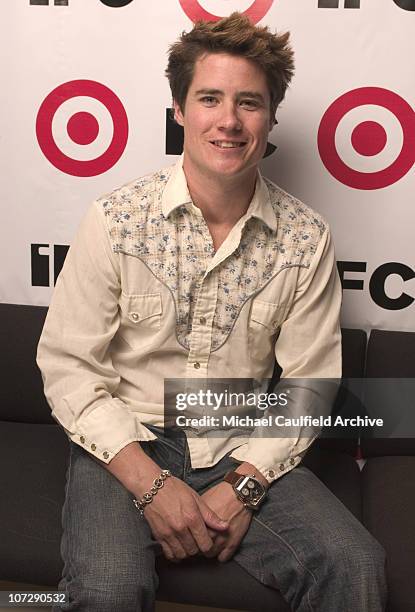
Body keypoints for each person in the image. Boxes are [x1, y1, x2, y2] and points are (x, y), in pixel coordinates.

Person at [37, 12, 387, 612]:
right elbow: (69, 368)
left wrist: (243, 487)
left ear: (271, 118)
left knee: (354, 563)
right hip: (129, 437)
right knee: (108, 591)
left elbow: (308, 386)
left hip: (241, 441)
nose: (229, 120)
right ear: (179, 111)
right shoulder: (116, 219)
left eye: (249, 102)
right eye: (210, 98)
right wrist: (150, 483)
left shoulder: (305, 238)